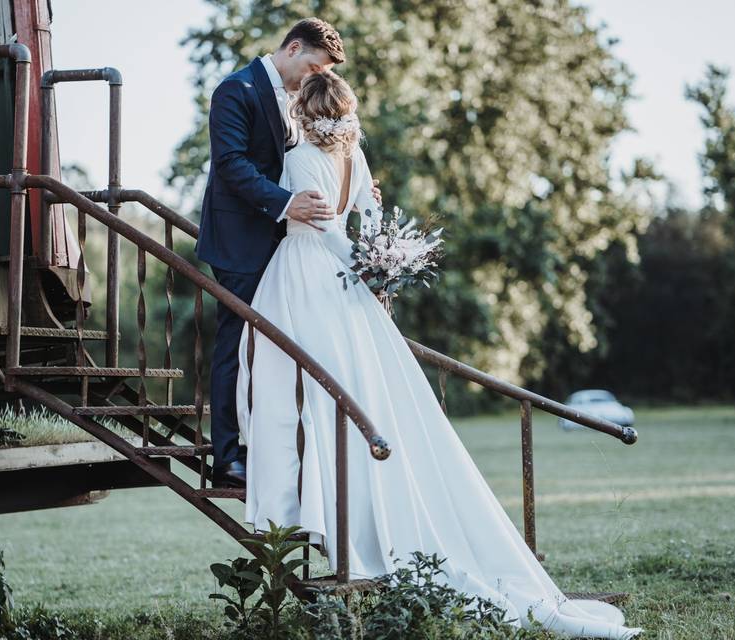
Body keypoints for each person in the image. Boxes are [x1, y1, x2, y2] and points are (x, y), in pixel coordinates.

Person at [235, 70, 644, 639]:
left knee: (296, 384)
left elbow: (325, 227)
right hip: (347, 290)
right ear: (347, 113)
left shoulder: (303, 155)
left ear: (304, 111)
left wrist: (355, 260)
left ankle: (308, 496)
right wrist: (373, 264)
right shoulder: (356, 154)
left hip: (304, 276)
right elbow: (370, 218)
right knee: (357, 383)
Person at [196, 18, 380, 487]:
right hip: (240, 240)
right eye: (314, 65)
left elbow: (302, 162)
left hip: (288, 246)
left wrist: (350, 187)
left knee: (288, 351)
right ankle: (227, 456)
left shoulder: (297, 98)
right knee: (238, 342)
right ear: (293, 47)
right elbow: (232, 165)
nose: (315, 76)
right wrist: (287, 202)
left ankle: (288, 449)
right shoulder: (234, 90)